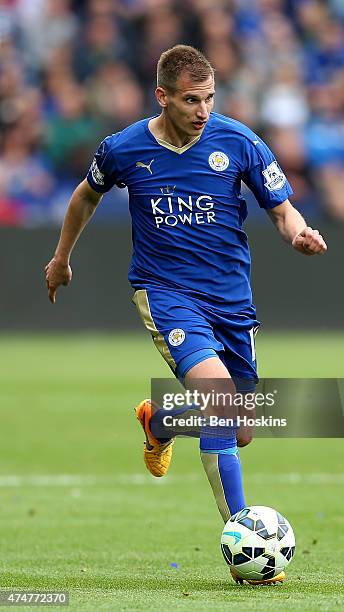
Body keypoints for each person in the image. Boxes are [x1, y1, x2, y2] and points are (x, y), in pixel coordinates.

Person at [45, 45, 327, 585]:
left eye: (209, 99)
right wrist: (61, 259)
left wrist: (298, 235)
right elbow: (85, 197)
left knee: (240, 429)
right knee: (220, 403)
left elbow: (281, 209)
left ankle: (162, 420)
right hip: (166, 294)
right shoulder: (124, 149)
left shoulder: (238, 141)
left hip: (231, 302)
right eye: (191, 100)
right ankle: (245, 543)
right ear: (163, 97)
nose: (202, 110)